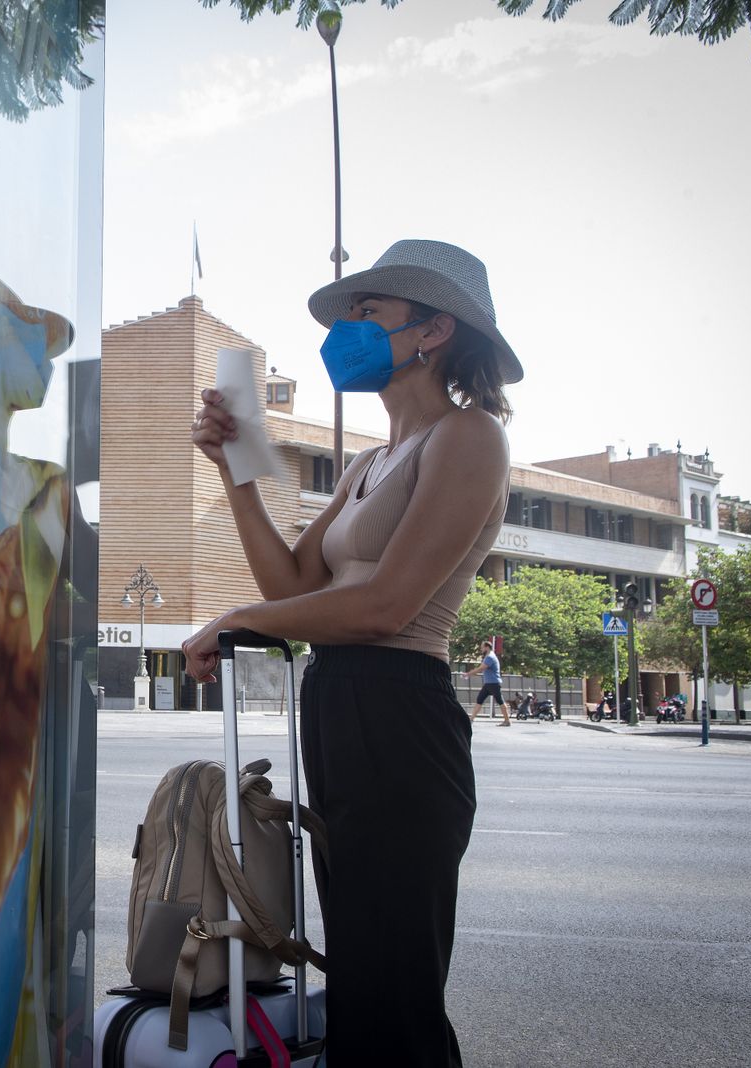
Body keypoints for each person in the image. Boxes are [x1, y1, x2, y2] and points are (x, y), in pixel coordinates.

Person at [181, 239, 519, 1067]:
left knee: (395, 990)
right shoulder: (369, 462)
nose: (349, 330)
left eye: (370, 312)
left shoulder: (469, 436)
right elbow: (294, 585)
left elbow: (386, 606)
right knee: (363, 980)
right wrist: (235, 474)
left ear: (434, 330)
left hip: (402, 711)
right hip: (339, 703)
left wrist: (238, 617)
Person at [462, 640, 509, 725]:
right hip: (488, 684)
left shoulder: (490, 657)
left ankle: (507, 721)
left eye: (482, 647)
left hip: (493, 683)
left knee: (500, 701)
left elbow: (481, 668)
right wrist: (471, 673)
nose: (481, 649)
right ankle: (471, 720)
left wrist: (468, 674)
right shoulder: (488, 657)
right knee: (479, 700)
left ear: (487, 647)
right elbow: (482, 669)